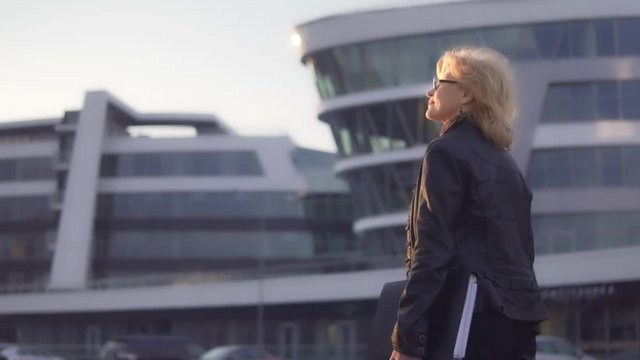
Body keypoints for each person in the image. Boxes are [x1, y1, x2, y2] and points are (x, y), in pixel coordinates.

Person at [389, 47, 547, 360]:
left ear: (466, 95)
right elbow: (522, 254)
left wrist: (406, 338)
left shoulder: (444, 152)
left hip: (464, 322)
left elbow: (432, 252)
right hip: (516, 323)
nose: (430, 90)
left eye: (438, 81)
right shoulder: (507, 164)